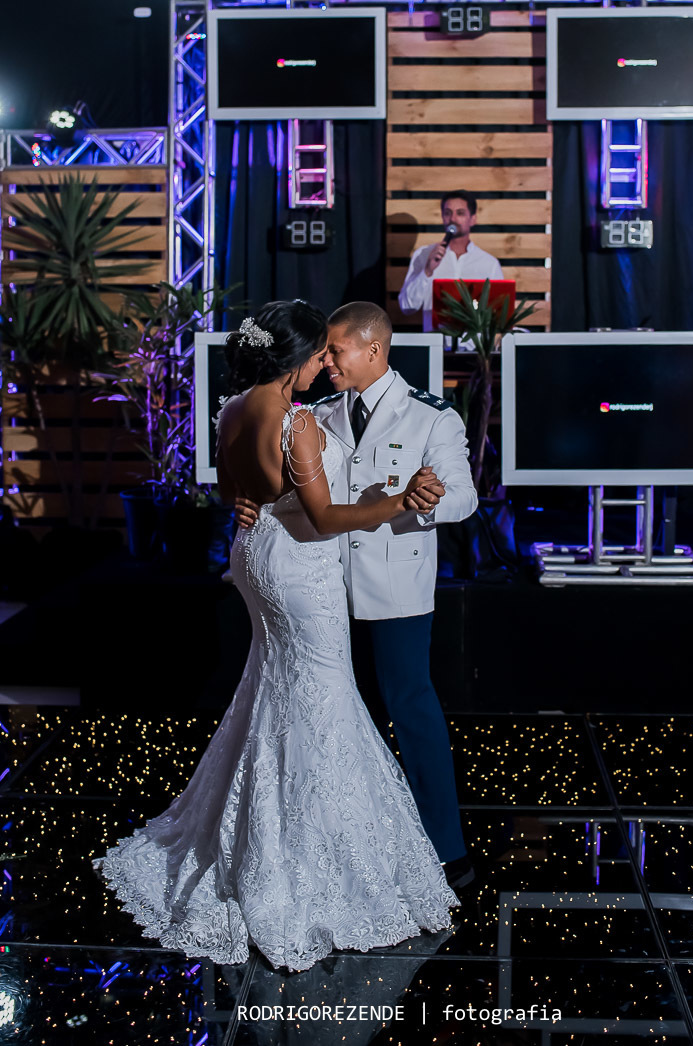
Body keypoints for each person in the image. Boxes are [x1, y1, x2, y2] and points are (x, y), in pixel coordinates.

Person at [92, 299, 458, 972]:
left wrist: (250, 499)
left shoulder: (233, 408)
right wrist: (398, 503)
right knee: (320, 699)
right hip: (300, 567)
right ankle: (302, 858)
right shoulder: (298, 424)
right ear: (294, 359)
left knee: (274, 688)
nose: (327, 361)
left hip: (252, 553)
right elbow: (320, 519)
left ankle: (261, 827)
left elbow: (237, 488)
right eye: (320, 353)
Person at [236, 301, 478, 889]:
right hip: (321, 588)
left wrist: (427, 500)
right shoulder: (314, 412)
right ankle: (364, 847)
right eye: (322, 354)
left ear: (373, 349)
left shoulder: (431, 417)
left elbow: (465, 498)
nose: (327, 363)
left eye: (335, 352)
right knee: (344, 724)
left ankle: (447, 848)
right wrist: (250, 502)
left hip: (394, 591)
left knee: (410, 711)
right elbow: (285, 485)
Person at [398, 190, 504, 330]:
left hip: (473, 348)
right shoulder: (424, 255)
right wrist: (427, 271)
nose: (453, 219)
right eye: (448, 213)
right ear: (442, 217)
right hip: (435, 346)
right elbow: (407, 306)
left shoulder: (489, 263)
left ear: (473, 219)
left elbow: (499, 313)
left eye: (460, 213)